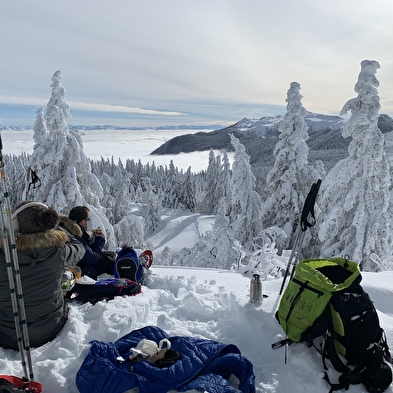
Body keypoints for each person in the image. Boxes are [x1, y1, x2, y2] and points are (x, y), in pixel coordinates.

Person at [0, 201, 85, 350]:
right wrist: (58, 231)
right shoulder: (59, 252)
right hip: (50, 329)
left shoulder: (3, 255)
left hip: (7, 335)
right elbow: (79, 247)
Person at [60, 206, 112, 280]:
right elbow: (93, 259)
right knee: (106, 263)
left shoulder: (66, 229)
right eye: (88, 219)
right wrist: (100, 240)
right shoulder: (75, 236)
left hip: (69, 269)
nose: (89, 222)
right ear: (82, 221)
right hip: (74, 274)